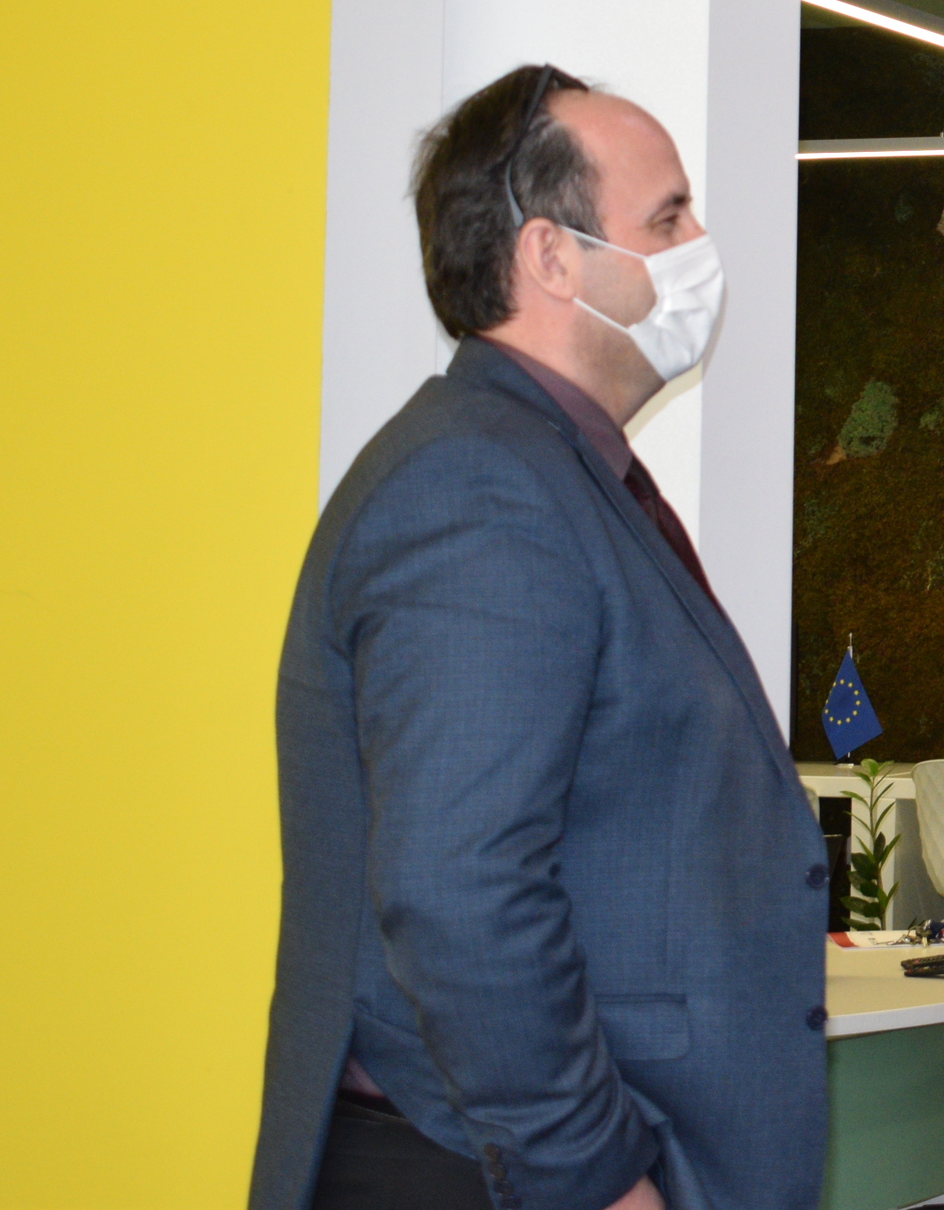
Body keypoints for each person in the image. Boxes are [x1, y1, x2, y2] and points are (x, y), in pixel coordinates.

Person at [251, 66, 826, 1210]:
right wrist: (594, 1176)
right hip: (486, 1172)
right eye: (667, 216)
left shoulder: (547, 468)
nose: (699, 246)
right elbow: (461, 886)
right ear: (552, 256)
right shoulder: (481, 486)